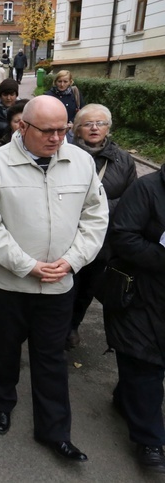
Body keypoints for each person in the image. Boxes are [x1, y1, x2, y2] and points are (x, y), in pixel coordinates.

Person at [0, 95, 108, 462]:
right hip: (6, 285)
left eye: (63, 129)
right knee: (3, 350)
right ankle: (2, 401)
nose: (57, 138)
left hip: (58, 285)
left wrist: (73, 260)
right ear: (23, 127)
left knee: (50, 358)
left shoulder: (80, 162)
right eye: (48, 130)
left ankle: (55, 431)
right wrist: (26, 265)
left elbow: (96, 217)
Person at [105, 161, 165, 473]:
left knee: (148, 366)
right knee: (146, 363)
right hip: (142, 293)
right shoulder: (148, 187)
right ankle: (150, 440)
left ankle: (124, 396)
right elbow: (123, 235)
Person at [66, 104, 136, 348]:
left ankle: (73, 324)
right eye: (87, 124)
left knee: (88, 287)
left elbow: (131, 200)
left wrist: (99, 207)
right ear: (77, 129)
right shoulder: (64, 154)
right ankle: (58, 328)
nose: (95, 128)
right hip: (68, 235)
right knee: (65, 285)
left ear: (108, 128)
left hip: (102, 239)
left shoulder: (123, 160)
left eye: (101, 123)